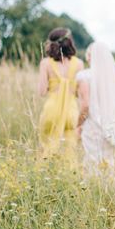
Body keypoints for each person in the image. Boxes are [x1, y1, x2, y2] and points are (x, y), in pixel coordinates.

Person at [76, 42, 115, 180]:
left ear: (89, 57)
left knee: (93, 162)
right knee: (112, 164)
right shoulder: (112, 79)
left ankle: (95, 192)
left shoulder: (84, 76)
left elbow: (85, 106)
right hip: (112, 128)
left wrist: (78, 124)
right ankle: (114, 194)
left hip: (93, 128)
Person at [38, 28, 83, 162]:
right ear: (70, 42)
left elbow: (41, 91)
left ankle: (46, 172)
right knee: (70, 150)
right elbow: (79, 93)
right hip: (71, 110)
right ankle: (69, 175)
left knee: (47, 147)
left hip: (51, 110)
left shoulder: (46, 63)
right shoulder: (79, 64)